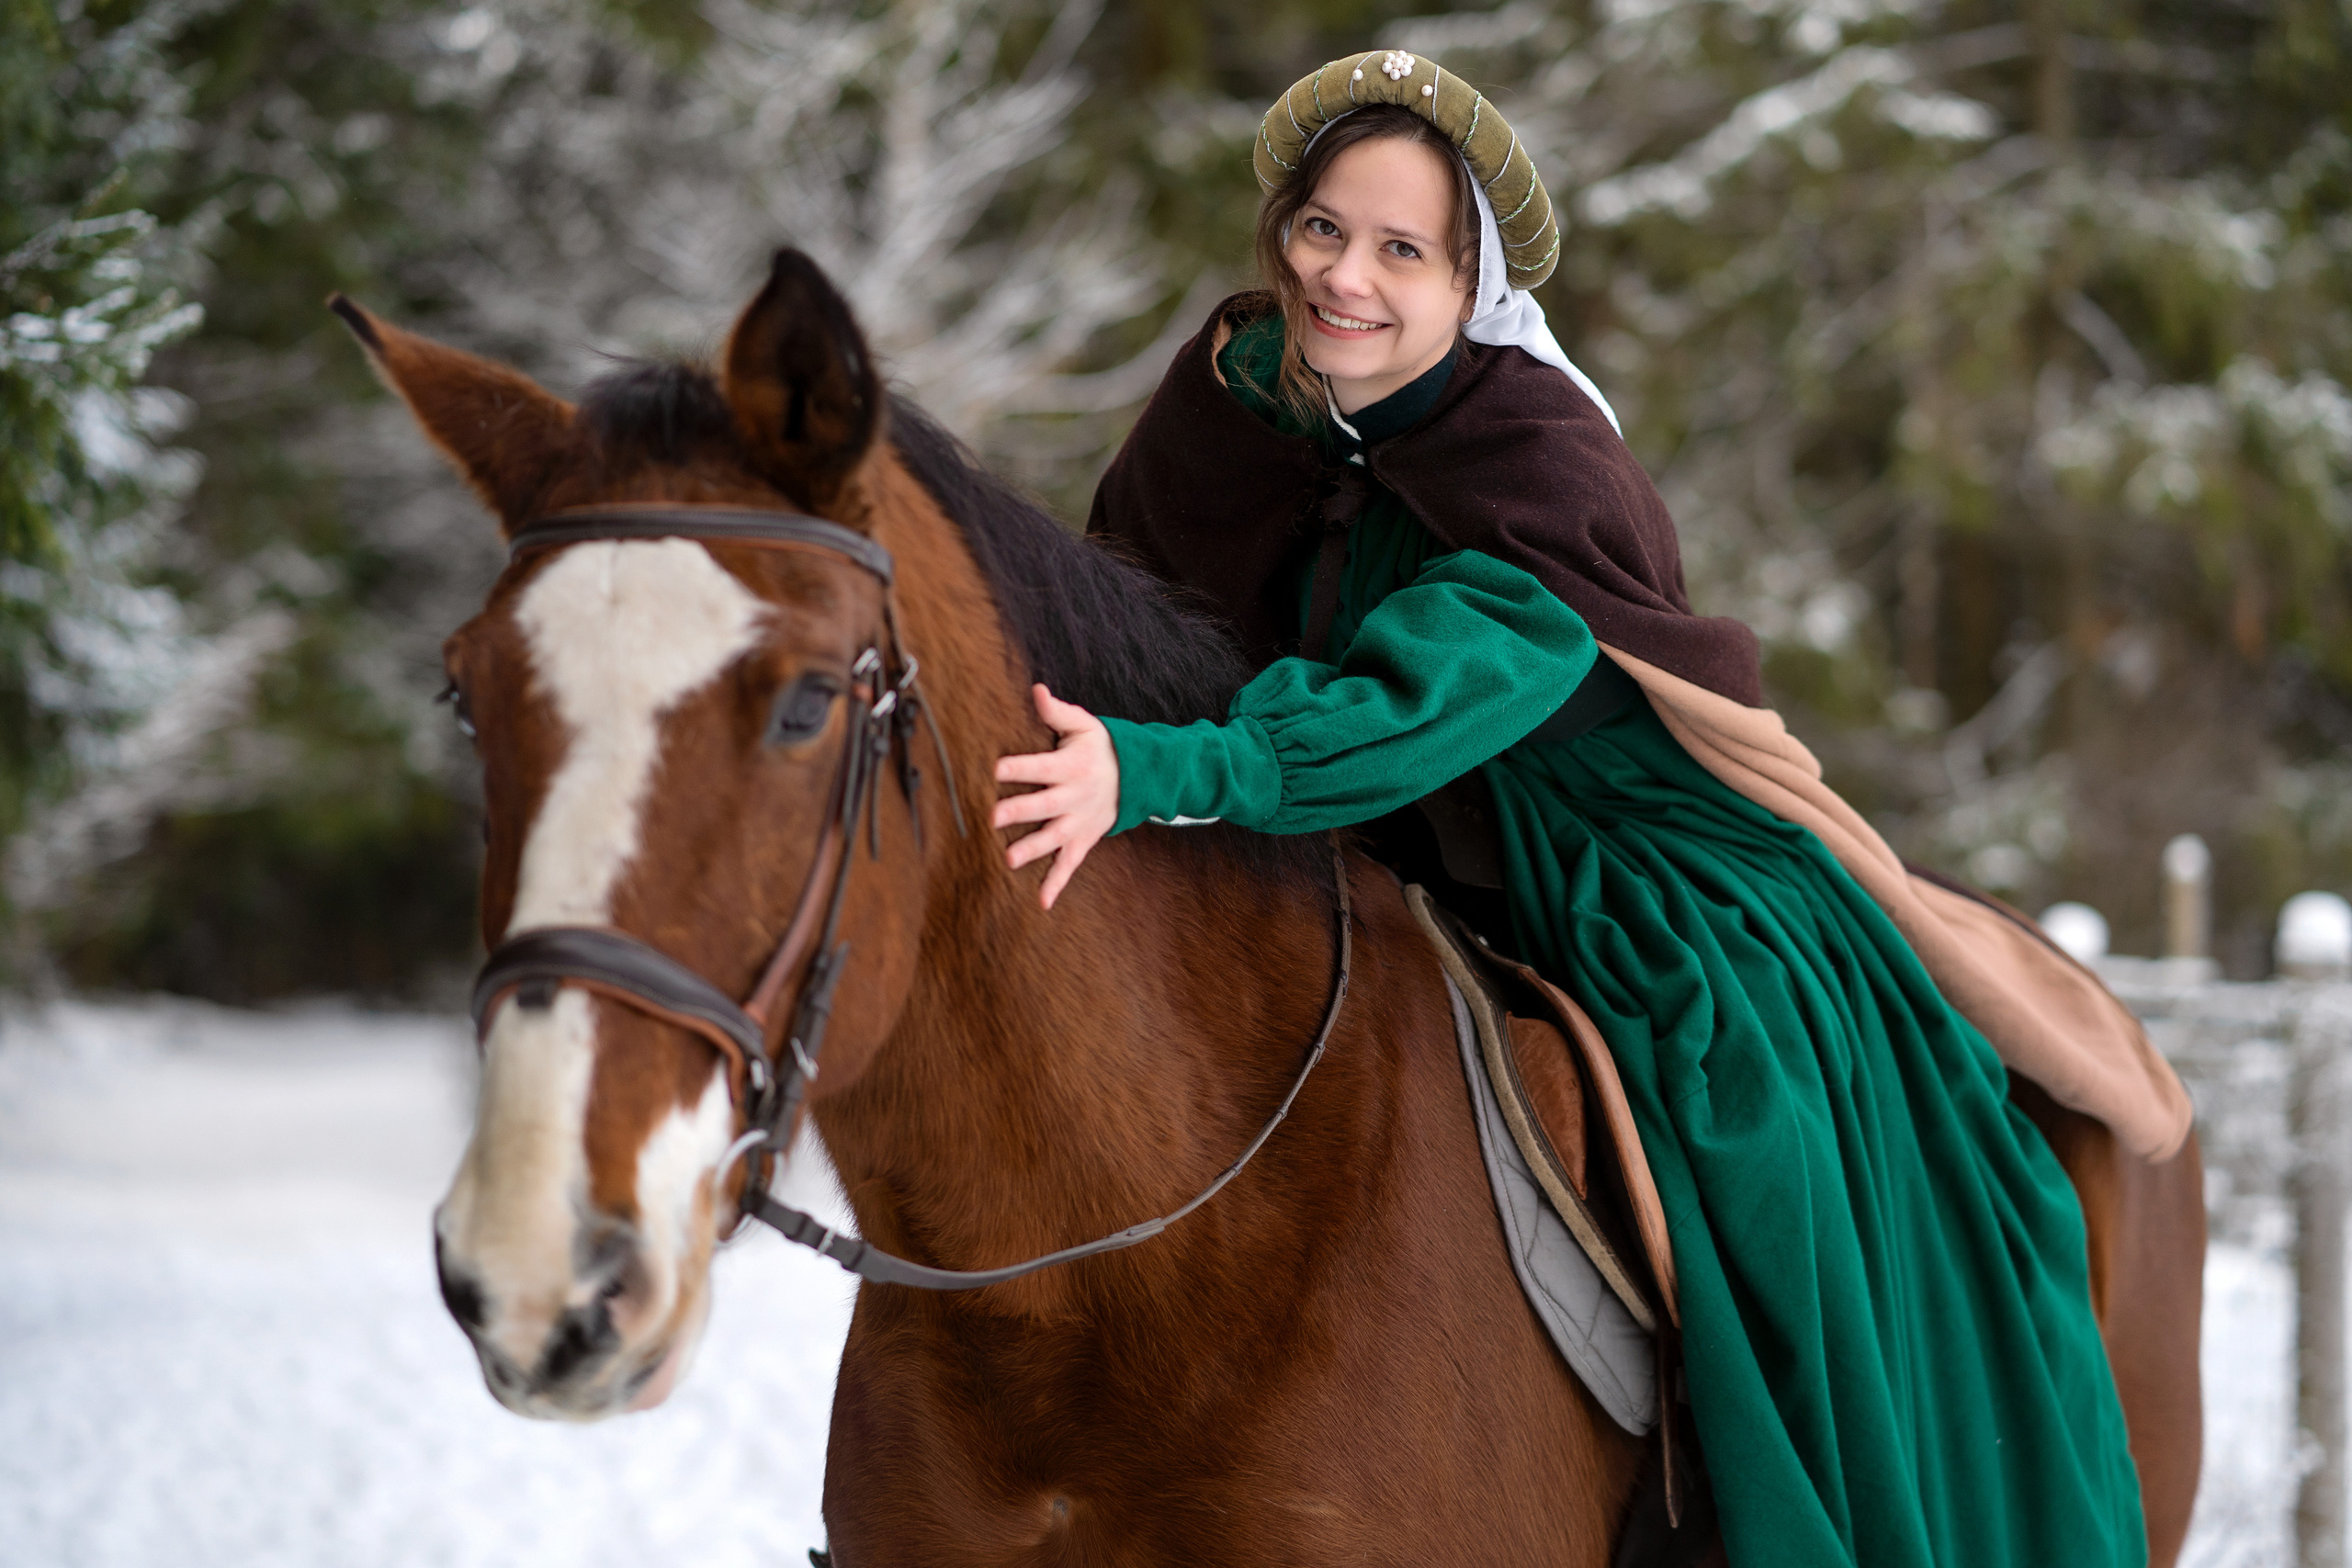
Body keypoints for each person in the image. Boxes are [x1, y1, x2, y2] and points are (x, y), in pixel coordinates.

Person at [989, 51, 2151, 1568]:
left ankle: (1741, 1498)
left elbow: (1409, 707)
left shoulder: (1538, 463)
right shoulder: (1232, 394)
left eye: (1404, 250)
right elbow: (1122, 609)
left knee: (1754, 1137)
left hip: (1609, 856)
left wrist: (1163, 771)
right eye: (1325, 229)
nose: (1347, 276)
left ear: (1468, 282)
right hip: (1339, 840)